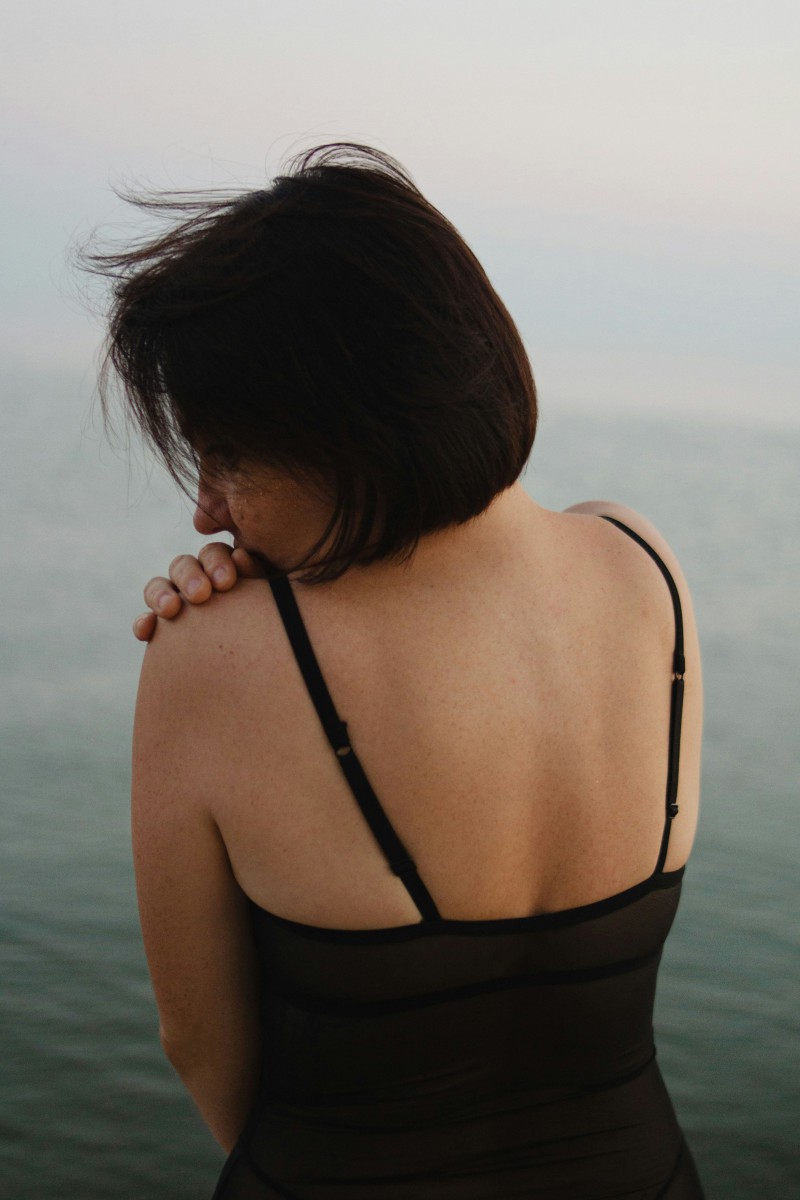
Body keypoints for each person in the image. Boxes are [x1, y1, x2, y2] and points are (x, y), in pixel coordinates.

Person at [90, 143, 705, 1197]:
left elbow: (197, 1040)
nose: (205, 511)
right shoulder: (642, 567)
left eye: (226, 455)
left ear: (345, 429)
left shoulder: (219, 653)